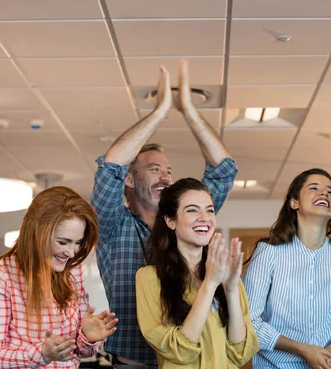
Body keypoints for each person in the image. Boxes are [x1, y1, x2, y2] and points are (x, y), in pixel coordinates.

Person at [91, 60, 237, 366]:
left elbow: (223, 172)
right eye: (154, 169)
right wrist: (158, 113)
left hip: (188, 362)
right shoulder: (113, 224)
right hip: (135, 363)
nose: (166, 177)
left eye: (168, 170)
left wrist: (189, 112)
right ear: (129, 180)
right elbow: (110, 167)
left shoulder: (183, 219)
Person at [0, 186, 117, 369]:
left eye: (78, 243)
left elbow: (79, 351)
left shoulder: (72, 273)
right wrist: (42, 353)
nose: (71, 253)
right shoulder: (0, 274)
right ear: (36, 233)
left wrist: (88, 338)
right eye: (63, 242)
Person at [243, 168, 331, 369]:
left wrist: (324, 354)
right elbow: (248, 321)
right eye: (314, 188)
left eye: (330, 191)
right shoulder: (268, 252)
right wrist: (304, 350)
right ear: (295, 203)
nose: (324, 194)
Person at [135, 178, 259, 368]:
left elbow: (240, 352)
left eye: (209, 210)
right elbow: (180, 351)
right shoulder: (149, 278)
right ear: (170, 221)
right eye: (192, 210)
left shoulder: (225, 272)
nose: (205, 217)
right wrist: (210, 283)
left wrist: (231, 289)